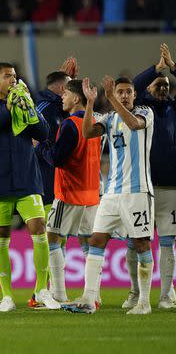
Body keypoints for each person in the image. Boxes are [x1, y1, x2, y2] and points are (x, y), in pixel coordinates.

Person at [0, 63, 60, 312]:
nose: (13, 80)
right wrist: (8, 110)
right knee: (0, 234)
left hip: (27, 178)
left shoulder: (23, 101)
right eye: (8, 76)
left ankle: (42, 289)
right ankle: (7, 296)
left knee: (39, 227)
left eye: (15, 77)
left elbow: (44, 133)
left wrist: (28, 107)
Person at [67, 76, 155, 315]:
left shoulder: (145, 113)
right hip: (112, 194)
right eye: (120, 92)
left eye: (128, 92)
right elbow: (86, 133)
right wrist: (90, 104)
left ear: (135, 95)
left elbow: (134, 125)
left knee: (141, 243)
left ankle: (144, 302)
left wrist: (112, 99)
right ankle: (88, 297)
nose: (124, 95)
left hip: (137, 192)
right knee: (96, 240)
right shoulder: (109, 118)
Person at [35, 80, 101, 303]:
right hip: (91, 193)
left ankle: (59, 293)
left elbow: (57, 159)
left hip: (69, 192)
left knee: (52, 236)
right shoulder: (95, 121)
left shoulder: (70, 124)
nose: (62, 97)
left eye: (65, 94)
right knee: (88, 243)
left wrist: (41, 145)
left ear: (76, 98)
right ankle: (94, 295)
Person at [130, 43, 176, 309]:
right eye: (158, 84)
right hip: (143, 185)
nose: (163, 87)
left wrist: (172, 67)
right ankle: (136, 293)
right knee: (136, 241)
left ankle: (165, 296)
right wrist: (156, 69)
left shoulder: (173, 109)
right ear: (147, 89)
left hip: (170, 185)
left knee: (168, 241)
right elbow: (134, 85)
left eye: (167, 84)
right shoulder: (140, 107)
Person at [35, 66, 74, 216]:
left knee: (59, 231)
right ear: (63, 88)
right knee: (50, 230)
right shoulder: (43, 109)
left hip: (61, 179)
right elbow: (37, 143)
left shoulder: (59, 108)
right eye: (71, 86)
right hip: (47, 179)